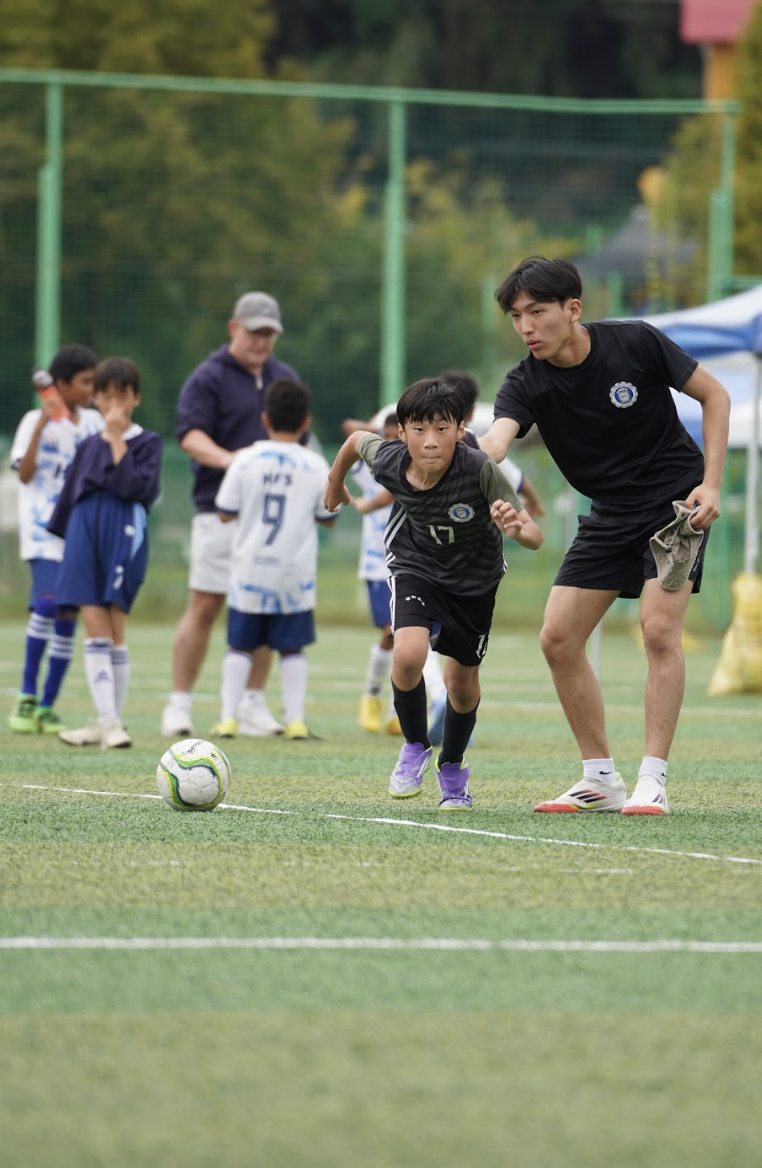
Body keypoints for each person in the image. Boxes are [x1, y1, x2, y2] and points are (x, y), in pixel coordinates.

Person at [480, 255, 730, 815]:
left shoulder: (636, 342)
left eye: (537, 312)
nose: (525, 327)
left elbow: (716, 395)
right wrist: (466, 458)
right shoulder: (525, 381)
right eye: (516, 316)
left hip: (676, 505)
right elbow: (498, 440)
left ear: (573, 309)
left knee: (658, 629)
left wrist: (712, 485)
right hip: (611, 512)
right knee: (557, 637)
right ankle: (600, 778)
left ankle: (652, 779)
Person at [324, 377, 543, 811]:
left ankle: (453, 766)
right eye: (418, 429)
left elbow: (534, 533)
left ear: (460, 431)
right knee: (407, 655)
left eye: (442, 429)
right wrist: (334, 485)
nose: (430, 441)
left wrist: (519, 530)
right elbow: (354, 441)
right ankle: (414, 746)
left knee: (460, 687)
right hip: (415, 567)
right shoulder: (389, 460)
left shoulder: (480, 468)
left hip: (474, 584)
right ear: (401, 433)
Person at [161, 291, 301, 739]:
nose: (261, 341)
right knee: (204, 605)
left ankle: (253, 703)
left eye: (269, 334)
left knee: (262, 606)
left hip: (267, 521)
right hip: (217, 512)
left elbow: (299, 440)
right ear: (234, 329)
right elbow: (189, 436)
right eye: (254, 332)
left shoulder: (283, 377)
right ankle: (178, 704)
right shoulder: (209, 377)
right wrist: (233, 462)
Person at [210, 378, 336, 740]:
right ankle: (295, 721)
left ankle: (228, 718)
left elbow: (223, 512)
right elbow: (329, 518)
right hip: (293, 574)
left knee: (240, 645)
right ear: (306, 423)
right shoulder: (313, 464)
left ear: (265, 419)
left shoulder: (245, 460)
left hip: (250, 569)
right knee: (292, 647)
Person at [48, 358, 163, 749]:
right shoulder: (86, 446)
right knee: (93, 624)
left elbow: (135, 489)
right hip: (84, 532)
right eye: (106, 397)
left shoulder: (148, 443)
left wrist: (116, 439)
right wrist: (64, 543)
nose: (114, 405)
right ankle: (107, 722)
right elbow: (69, 499)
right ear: (95, 399)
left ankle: (110, 721)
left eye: (122, 397)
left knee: (114, 628)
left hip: (123, 533)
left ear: (135, 398)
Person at [8, 344, 103, 734]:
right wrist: (45, 425)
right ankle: (26, 696)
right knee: (46, 603)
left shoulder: (95, 422)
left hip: (79, 531)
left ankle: (48, 705)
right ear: (60, 384)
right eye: (84, 383)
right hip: (42, 529)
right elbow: (25, 474)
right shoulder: (34, 419)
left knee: (67, 613)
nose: (91, 390)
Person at [340, 411, 403, 736]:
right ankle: (373, 696)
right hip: (377, 565)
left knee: (406, 637)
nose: (391, 443)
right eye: (386, 438)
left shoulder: (415, 465)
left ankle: (395, 710)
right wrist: (377, 428)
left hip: (407, 563)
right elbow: (349, 428)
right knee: (393, 631)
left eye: (398, 437)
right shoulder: (370, 465)